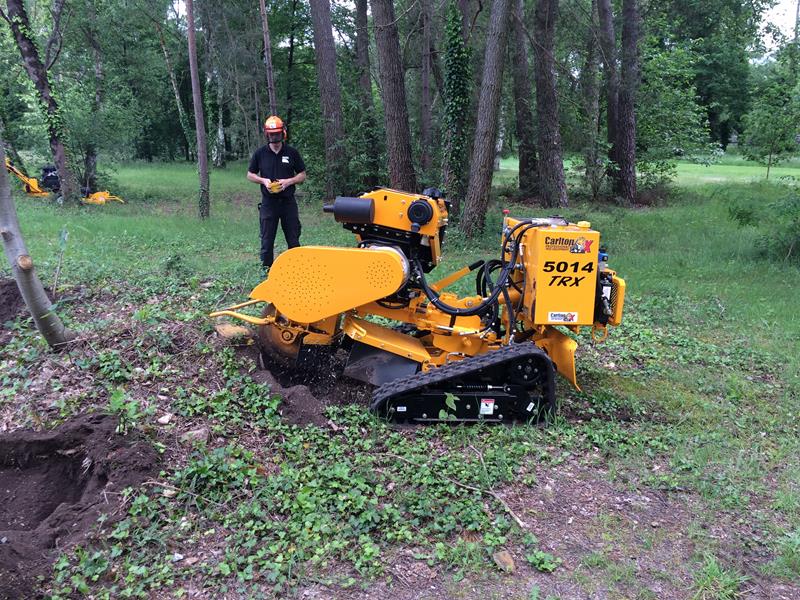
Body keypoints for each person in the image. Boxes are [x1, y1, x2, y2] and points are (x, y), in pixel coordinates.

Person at [247, 115, 307, 271]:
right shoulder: (260, 153)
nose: (274, 137)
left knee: (293, 239)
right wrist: (264, 181)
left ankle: (297, 270)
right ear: (267, 134)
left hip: (288, 203)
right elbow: (250, 174)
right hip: (268, 204)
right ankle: (266, 272)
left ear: (283, 133)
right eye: (271, 134)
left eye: (277, 133)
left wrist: (288, 181)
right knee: (267, 241)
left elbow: (302, 174)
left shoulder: (292, 152)